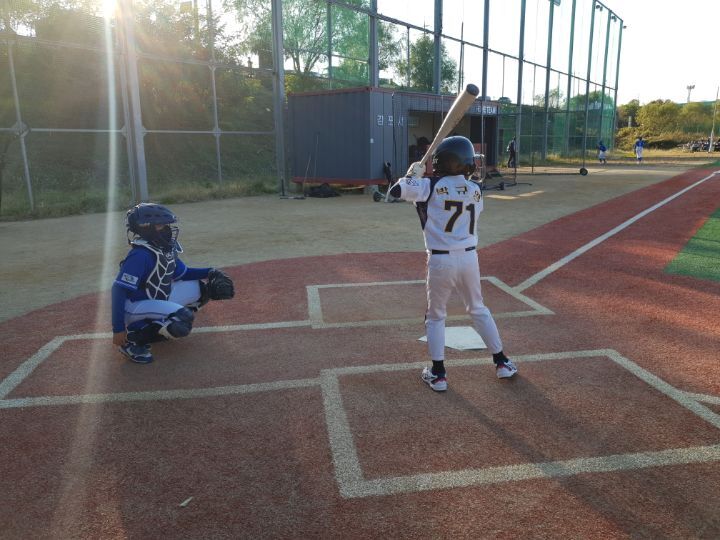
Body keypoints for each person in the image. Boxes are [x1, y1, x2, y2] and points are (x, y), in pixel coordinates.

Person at [388, 136, 517, 392]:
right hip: (469, 258)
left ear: (441, 162)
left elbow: (395, 192)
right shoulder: (476, 189)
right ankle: (502, 362)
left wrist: (411, 175)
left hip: (440, 260)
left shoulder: (429, 185)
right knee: (478, 308)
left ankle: (438, 374)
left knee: (436, 315)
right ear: (465, 162)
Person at [111, 203, 235, 364]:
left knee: (203, 288)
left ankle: (158, 325)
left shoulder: (163, 249)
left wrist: (211, 272)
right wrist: (118, 328)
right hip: (134, 307)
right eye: (161, 225)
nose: (167, 229)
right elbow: (118, 290)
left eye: (166, 224)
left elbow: (183, 273)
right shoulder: (140, 255)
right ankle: (132, 340)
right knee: (182, 319)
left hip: (156, 298)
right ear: (146, 228)